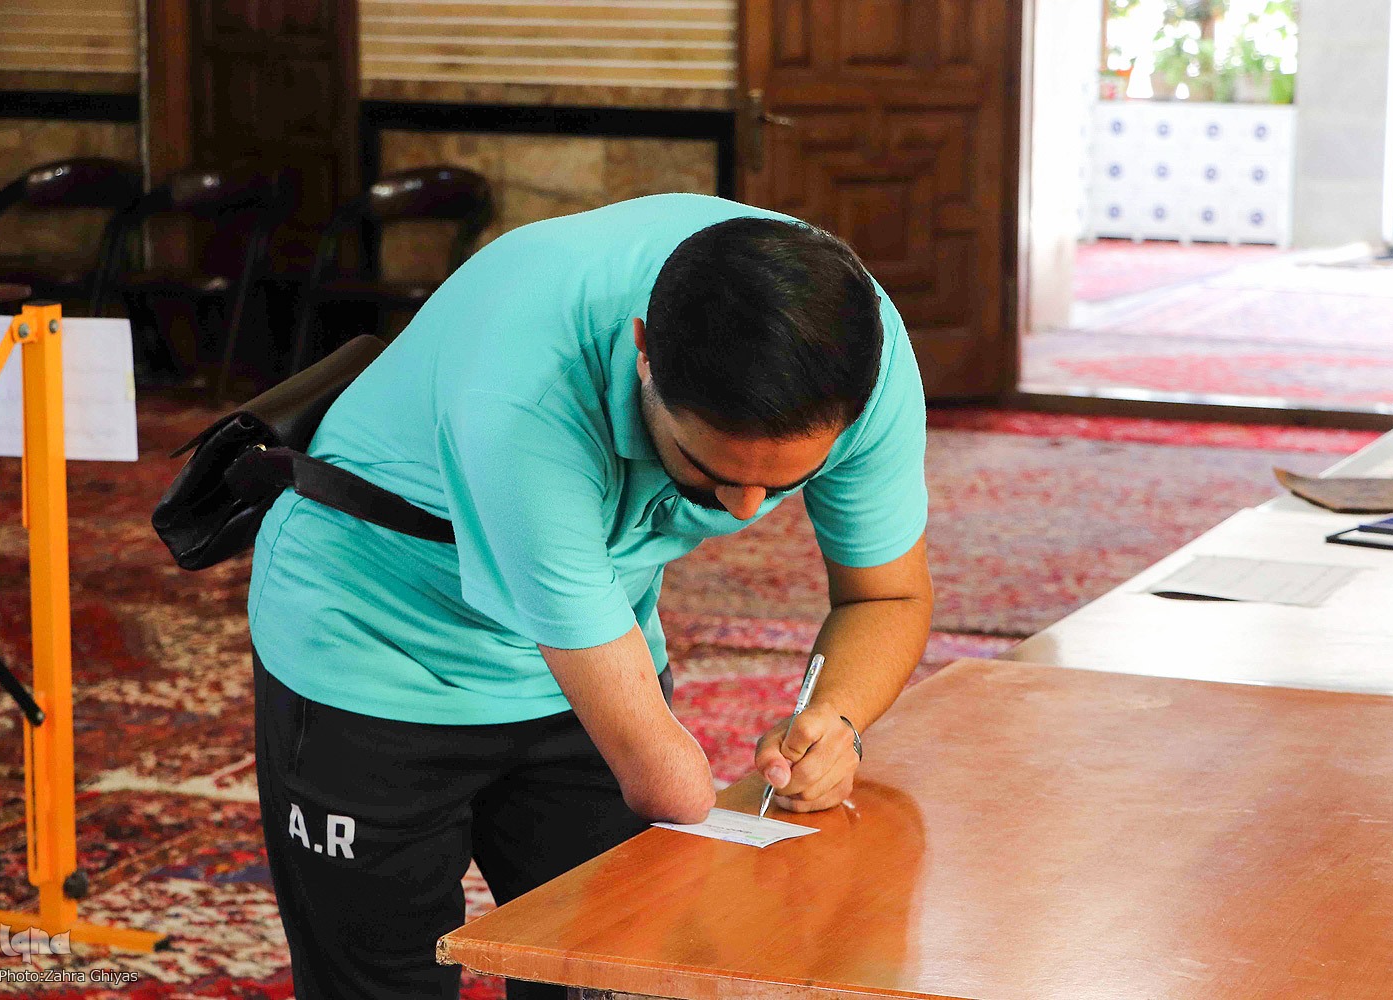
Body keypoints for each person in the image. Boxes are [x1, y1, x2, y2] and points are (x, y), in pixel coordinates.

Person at [248, 192, 932, 1000]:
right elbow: (669, 786)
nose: (746, 509)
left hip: (593, 645)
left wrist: (837, 721)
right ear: (644, 355)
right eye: (708, 470)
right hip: (375, 644)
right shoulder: (526, 392)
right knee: (380, 984)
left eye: (784, 483)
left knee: (609, 968)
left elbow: (885, 598)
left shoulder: (858, 353)